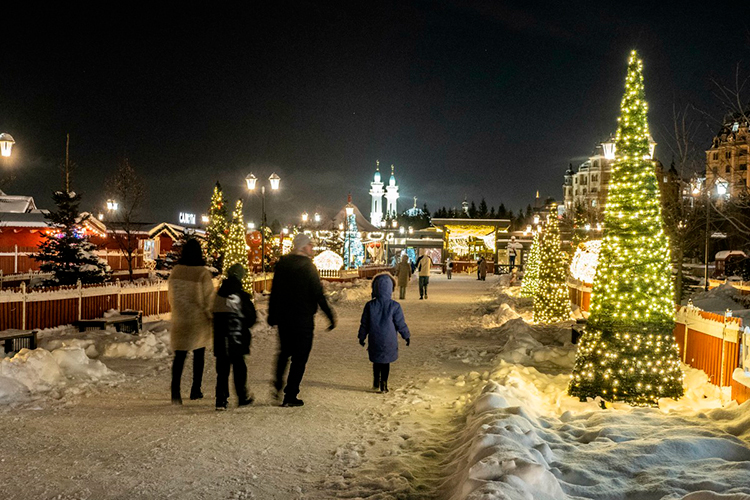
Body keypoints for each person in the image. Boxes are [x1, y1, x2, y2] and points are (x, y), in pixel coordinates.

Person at [268, 233, 336, 407]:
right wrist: (329, 315)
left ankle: (277, 384)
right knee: (299, 357)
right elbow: (317, 294)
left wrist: (272, 315)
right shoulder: (308, 267)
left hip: (284, 318)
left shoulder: (282, 265)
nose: (312, 248)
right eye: (310, 245)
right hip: (303, 319)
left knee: (284, 352)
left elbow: (275, 291)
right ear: (302, 246)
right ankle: (290, 394)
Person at [168, 239, 214, 405]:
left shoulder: (176, 271)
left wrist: (177, 309)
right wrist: (211, 316)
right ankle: (196, 389)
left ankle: (175, 392)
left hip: (180, 318)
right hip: (197, 321)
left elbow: (171, 296)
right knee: (198, 355)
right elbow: (208, 300)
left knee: (179, 356)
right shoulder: (202, 273)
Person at [213, 263, 256, 410]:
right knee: (239, 368)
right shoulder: (241, 296)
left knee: (222, 370)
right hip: (237, 338)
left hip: (221, 338)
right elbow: (251, 318)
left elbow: (213, 315)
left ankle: (221, 399)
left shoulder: (218, 296)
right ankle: (242, 396)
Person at [358, 273, 410, 393]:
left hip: (375, 338)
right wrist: (406, 336)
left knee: (376, 361)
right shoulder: (395, 306)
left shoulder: (370, 305)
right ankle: (384, 384)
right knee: (385, 363)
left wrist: (361, 337)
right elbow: (400, 323)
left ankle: (376, 381)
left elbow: (364, 323)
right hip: (389, 340)